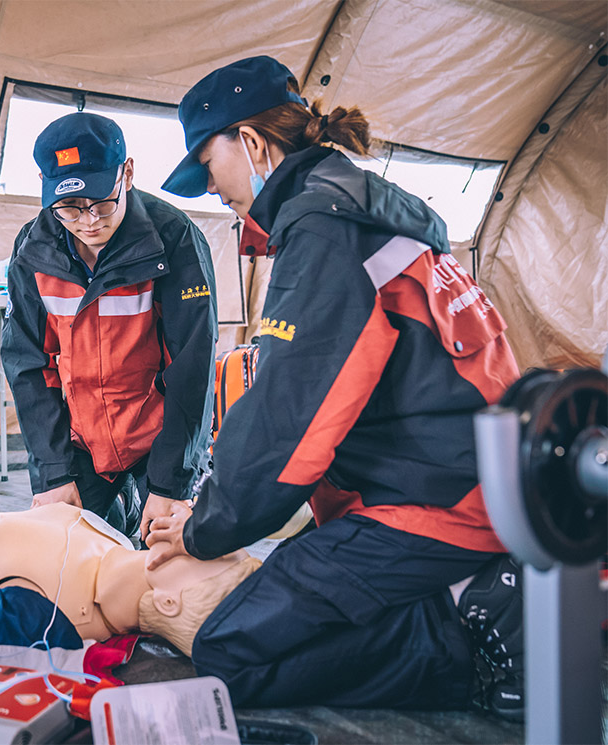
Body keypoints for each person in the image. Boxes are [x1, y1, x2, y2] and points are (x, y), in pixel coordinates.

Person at [147, 56, 524, 721]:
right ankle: (457, 592)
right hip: (468, 485)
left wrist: (207, 527)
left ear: (255, 144)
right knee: (286, 601)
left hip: (441, 507)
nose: (209, 186)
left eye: (208, 162)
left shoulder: (321, 228)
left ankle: (464, 638)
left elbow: (289, 421)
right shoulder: (363, 209)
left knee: (229, 652)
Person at [1, 112, 217, 540]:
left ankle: (142, 501)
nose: (88, 220)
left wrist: (171, 483)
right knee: (63, 559)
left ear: (128, 173)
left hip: (159, 440)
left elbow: (192, 369)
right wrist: (52, 475)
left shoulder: (173, 239)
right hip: (82, 444)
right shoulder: (33, 250)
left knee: (164, 562)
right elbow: (28, 365)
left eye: (102, 201)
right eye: (68, 208)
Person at [0, 503, 261, 659]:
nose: (199, 542)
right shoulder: (114, 538)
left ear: (169, 602)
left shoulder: (43, 618)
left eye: (208, 557)